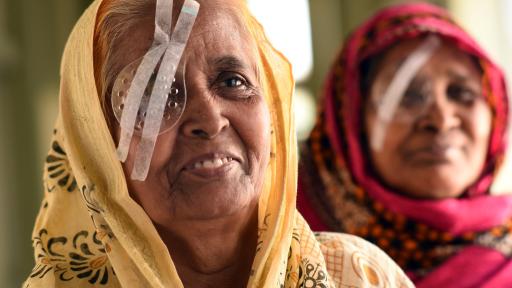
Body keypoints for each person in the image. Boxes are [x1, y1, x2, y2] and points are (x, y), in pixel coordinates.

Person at [23, 0, 413, 287]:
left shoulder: (360, 276)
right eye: (153, 96)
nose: (209, 120)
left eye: (232, 81)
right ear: (94, 142)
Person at [298, 2, 512, 287]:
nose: (442, 120)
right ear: (352, 122)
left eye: (461, 93)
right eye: (407, 96)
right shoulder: (279, 243)